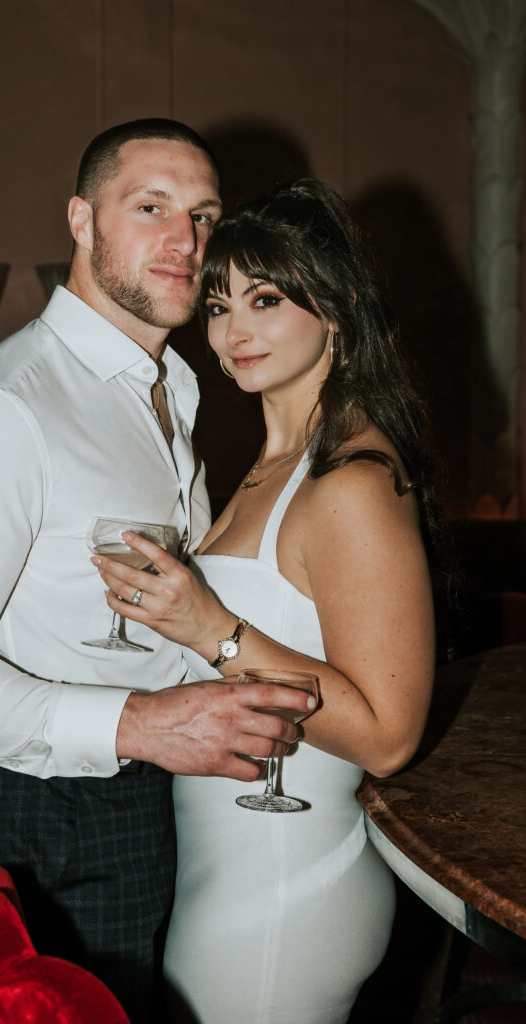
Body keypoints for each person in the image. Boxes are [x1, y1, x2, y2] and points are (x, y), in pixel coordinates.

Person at [0, 121, 314, 1023]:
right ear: (81, 220)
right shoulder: (3, 410)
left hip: (138, 804)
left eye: (202, 214)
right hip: (29, 825)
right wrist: (143, 723)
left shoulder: (174, 387)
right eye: (148, 208)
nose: (184, 241)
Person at [91, 178, 439, 1023]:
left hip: (284, 886)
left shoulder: (350, 479)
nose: (232, 329)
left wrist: (209, 626)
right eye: (216, 304)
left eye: (265, 297)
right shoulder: (263, 467)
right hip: (229, 865)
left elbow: (389, 736)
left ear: (337, 306)